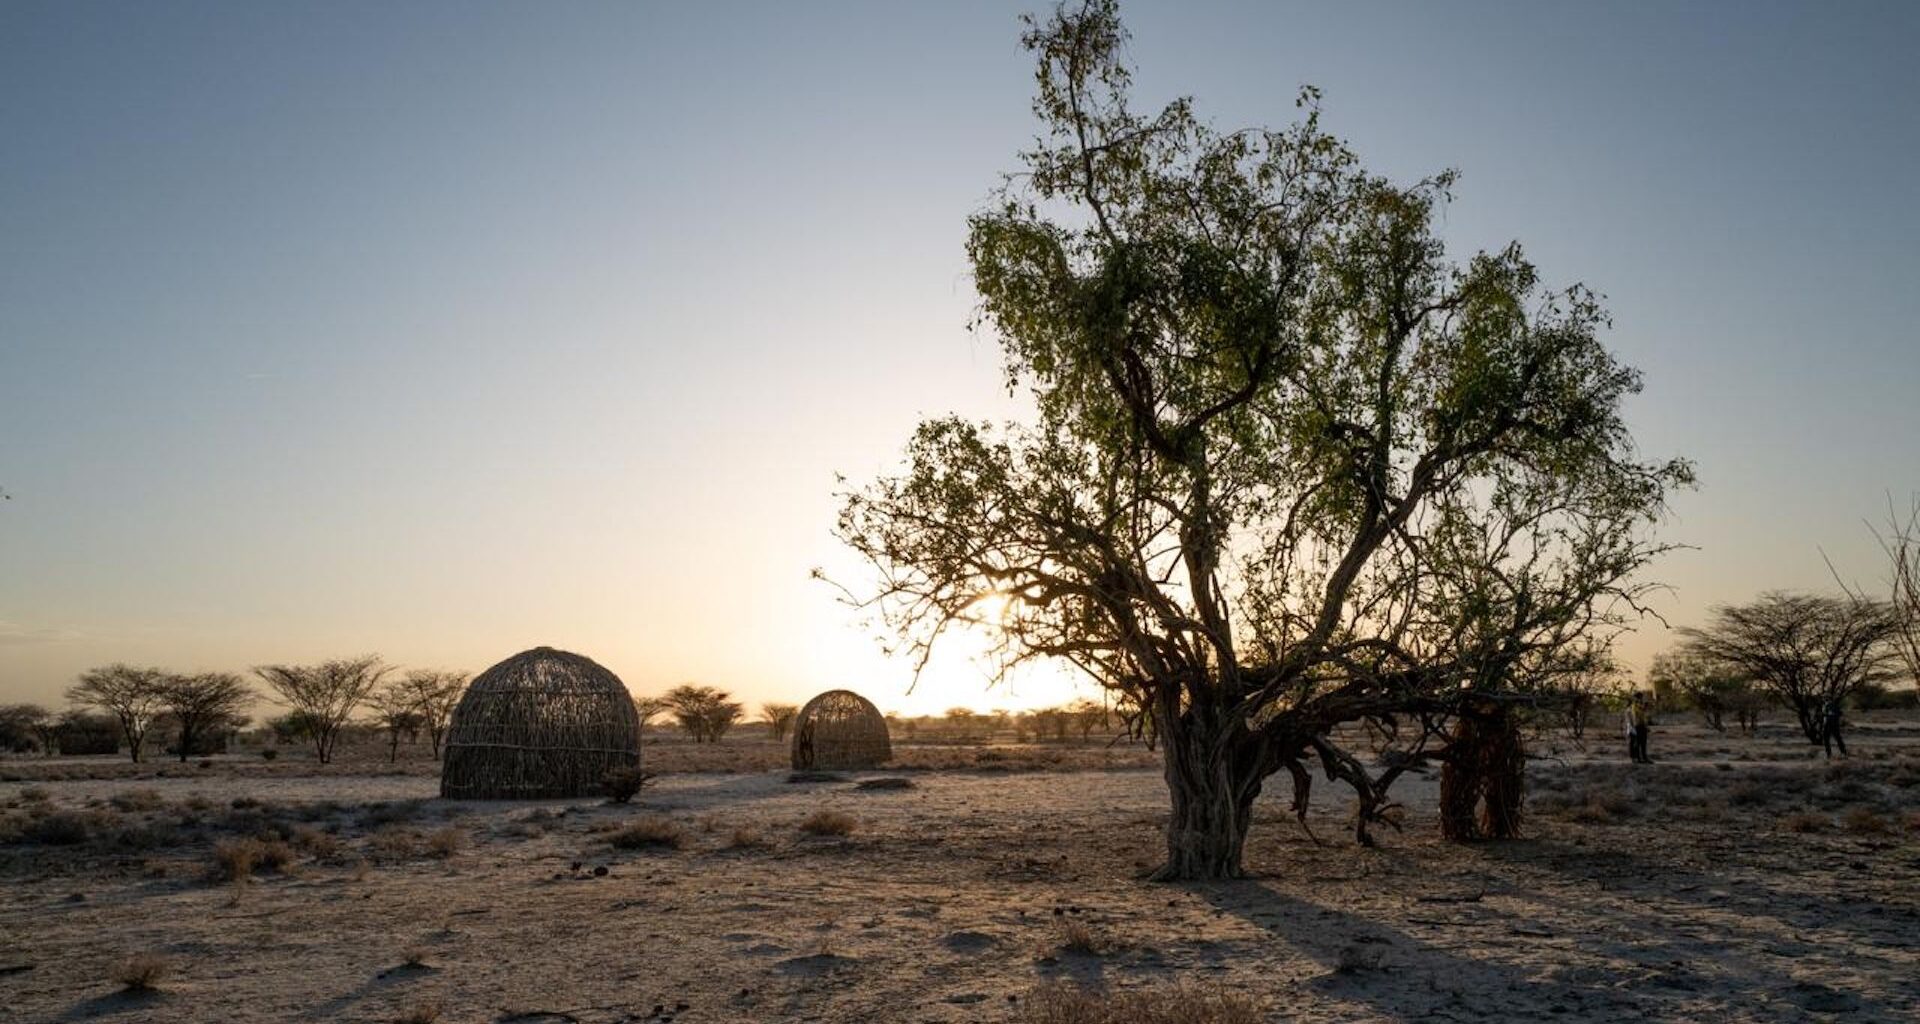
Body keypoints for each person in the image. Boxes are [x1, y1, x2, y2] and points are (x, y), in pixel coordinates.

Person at [1624, 694, 1653, 764]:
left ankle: (1643, 757)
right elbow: (1633, 718)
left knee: (1643, 743)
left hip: (1641, 726)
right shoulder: (1633, 707)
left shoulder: (1639, 706)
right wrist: (1632, 727)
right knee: (1636, 743)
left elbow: (1643, 717)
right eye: (1639, 698)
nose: (1640, 699)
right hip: (1636, 726)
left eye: (1641, 698)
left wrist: (1646, 726)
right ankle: (1637, 758)